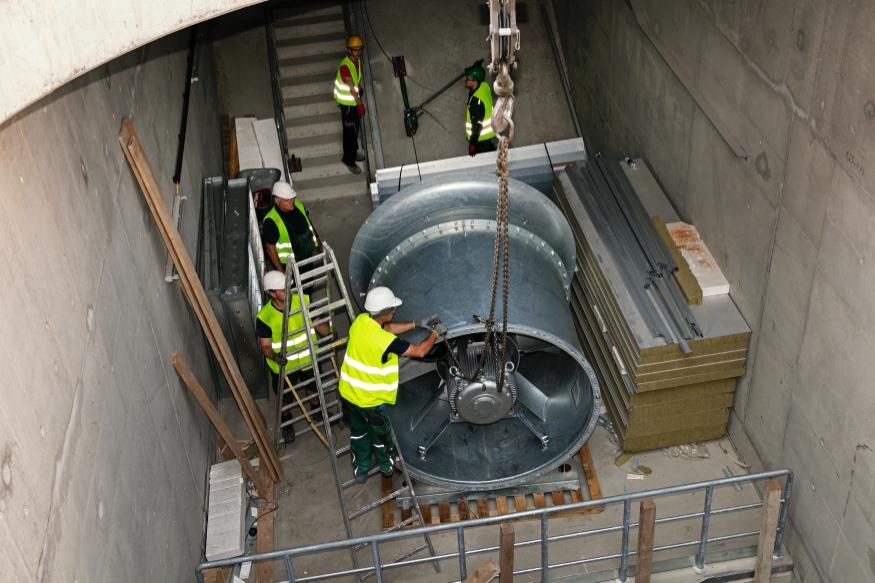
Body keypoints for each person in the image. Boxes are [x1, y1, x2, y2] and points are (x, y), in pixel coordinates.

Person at [338, 287, 446, 482]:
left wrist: (417, 324)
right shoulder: (385, 342)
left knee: (359, 433)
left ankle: (360, 470)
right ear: (384, 312)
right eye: (392, 309)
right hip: (371, 403)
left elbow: (386, 327)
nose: (394, 311)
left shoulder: (361, 322)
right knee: (382, 439)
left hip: (349, 395)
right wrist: (435, 334)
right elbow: (420, 351)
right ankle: (387, 468)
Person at [256, 270, 331, 444]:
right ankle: (287, 420)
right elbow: (265, 346)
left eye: (287, 287)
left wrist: (329, 332)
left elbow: (317, 322)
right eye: (282, 290)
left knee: (312, 385)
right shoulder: (265, 317)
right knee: (286, 397)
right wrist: (274, 356)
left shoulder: (303, 300)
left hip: (307, 358)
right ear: (272, 294)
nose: (287, 292)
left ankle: (315, 408)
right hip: (284, 366)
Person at [262, 181, 319, 273]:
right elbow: (270, 249)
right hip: (290, 264)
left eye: (292, 198)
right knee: (296, 286)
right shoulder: (271, 222)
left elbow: (307, 221)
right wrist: (281, 271)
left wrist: (316, 238)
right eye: (286, 200)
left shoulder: (297, 204)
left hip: (306, 255)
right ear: (277, 202)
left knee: (308, 282)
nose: (291, 202)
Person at [334, 35, 367, 174]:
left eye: (359, 49)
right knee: (350, 133)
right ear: (349, 50)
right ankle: (349, 160)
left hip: (352, 103)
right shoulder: (345, 66)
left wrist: (358, 84)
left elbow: (354, 80)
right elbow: (350, 87)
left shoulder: (356, 61)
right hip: (348, 104)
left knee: (354, 130)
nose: (358, 52)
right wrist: (359, 103)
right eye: (355, 50)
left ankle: (353, 152)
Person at [463, 64, 496, 156]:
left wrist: (472, 144)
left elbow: (477, 124)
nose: (465, 80)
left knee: (484, 166)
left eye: (468, 78)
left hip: (480, 139)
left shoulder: (476, 101)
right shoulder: (484, 87)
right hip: (486, 138)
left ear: (475, 81)